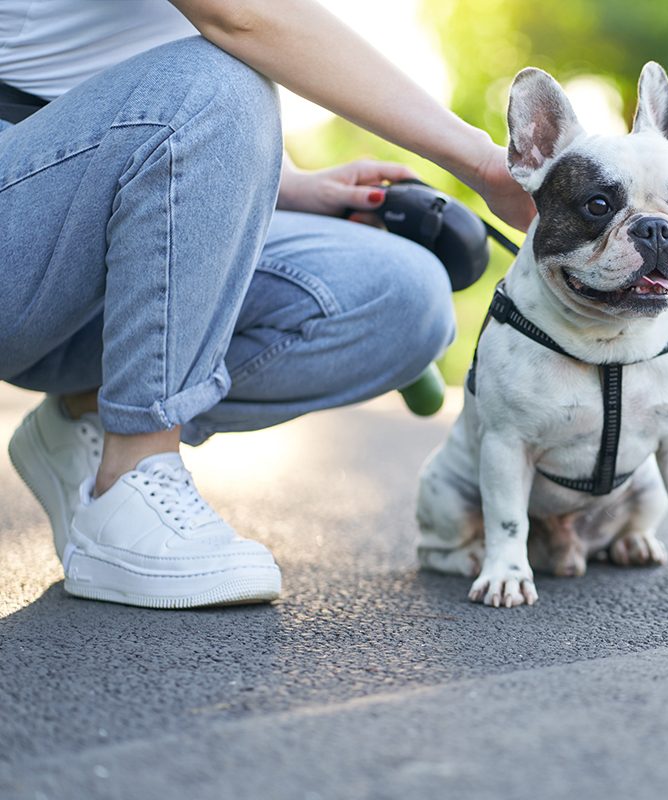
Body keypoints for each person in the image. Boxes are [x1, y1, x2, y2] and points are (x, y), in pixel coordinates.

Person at [0, 0, 536, 609]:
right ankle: (133, 476)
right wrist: (488, 163)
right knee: (221, 80)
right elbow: (245, 17)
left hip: (88, 181)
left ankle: (86, 412)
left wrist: (285, 184)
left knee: (405, 295)